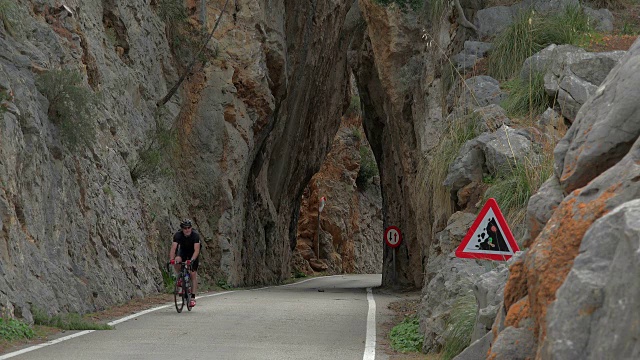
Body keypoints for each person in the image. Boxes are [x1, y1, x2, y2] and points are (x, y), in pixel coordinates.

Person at [169, 219, 200, 307]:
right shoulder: (178, 235)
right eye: (185, 228)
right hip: (182, 251)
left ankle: (193, 297)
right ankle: (180, 277)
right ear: (182, 229)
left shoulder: (195, 235)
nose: (187, 230)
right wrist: (172, 259)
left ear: (191, 227)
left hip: (193, 253)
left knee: (193, 274)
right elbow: (173, 248)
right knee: (177, 260)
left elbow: (196, 250)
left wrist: (192, 260)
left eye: (189, 227)